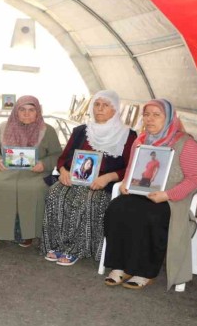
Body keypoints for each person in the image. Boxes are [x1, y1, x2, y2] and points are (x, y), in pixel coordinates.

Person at [102, 98, 197, 289]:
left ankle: (145, 271)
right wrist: (126, 183)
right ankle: (120, 265)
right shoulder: (140, 141)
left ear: (170, 118)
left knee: (151, 215)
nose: (150, 119)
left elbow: (194, 178)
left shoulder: (186, 143)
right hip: (141, 191)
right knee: (116, 209)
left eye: (156, 115)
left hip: (173, 197)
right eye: (146, 115)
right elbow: (132, 168)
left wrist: (167, 195)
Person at [41, 90, 137, 266]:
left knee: (87, 199)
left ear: (115, 110)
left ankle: (76, 249)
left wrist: (108, 177)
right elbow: (63, 158)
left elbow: (131, 166)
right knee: (55, 194)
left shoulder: (128, 135)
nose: (99, 109)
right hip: (74, 178)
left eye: (105, 105)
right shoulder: (81, 131)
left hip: (103, 183)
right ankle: (56, 244)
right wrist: (63, 171)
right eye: (97, 104)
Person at [0, 95, 61, 247]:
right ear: (15, 111)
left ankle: (27, 233)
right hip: (6, 171)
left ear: (38, 112)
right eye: (22, 110)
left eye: (31, 110)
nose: (26, 114)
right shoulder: (3, 127)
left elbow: (57, 154)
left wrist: (44, 164)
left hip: (35, 173)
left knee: (34, 189)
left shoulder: (47, 130)